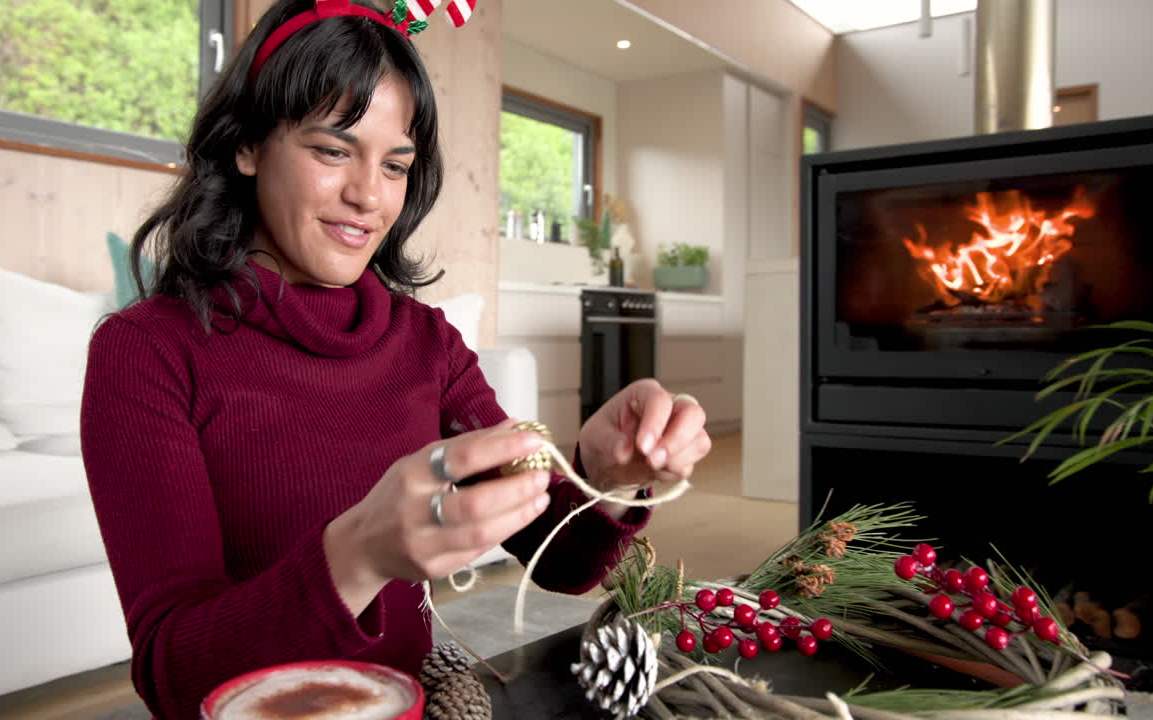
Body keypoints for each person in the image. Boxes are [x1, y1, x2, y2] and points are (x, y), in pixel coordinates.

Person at [79, 1, 711, 717]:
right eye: (332, 151)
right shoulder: (146, 351)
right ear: (248, 145)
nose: (368, 196)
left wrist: (604, 475)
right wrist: (357, 554)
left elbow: (560, 563)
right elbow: (173, 676)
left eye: (395, 165)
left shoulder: (427, 342)